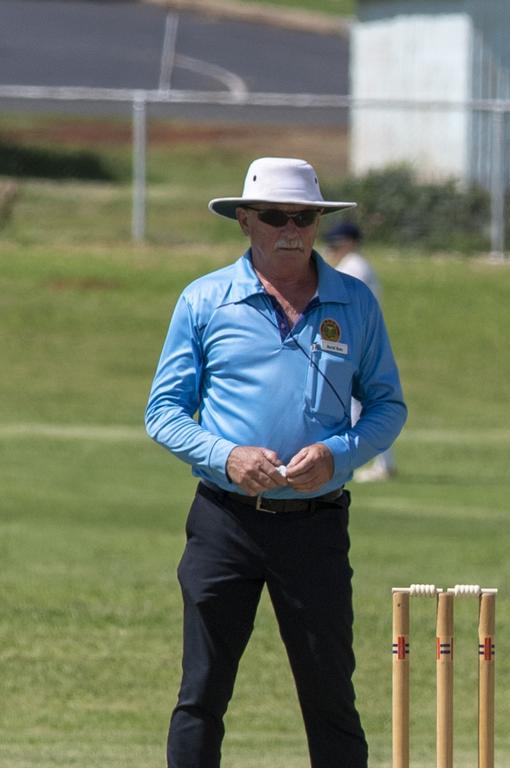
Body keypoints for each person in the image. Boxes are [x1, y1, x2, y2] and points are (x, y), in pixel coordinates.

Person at [145, 156, 407, 768]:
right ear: (245, 221)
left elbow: (388, 407)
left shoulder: (356, 301)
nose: (291, 227)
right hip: (223, 521)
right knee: (202, 693)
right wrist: (227, 456)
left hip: (316, 523)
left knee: (330, 696)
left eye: (305, 216)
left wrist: (339, 454)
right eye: (275, 215)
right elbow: (163, 412)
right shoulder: (205, 300)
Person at [323, 221, 397, 482]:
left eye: (336, 244)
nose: (332, 250)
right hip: (360, 339)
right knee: (360, 403)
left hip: (357, 341)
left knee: (361, 403)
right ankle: (380, 462)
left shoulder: (353, 267)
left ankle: (371, 461)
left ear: (350, 242)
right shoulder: (354, 265)